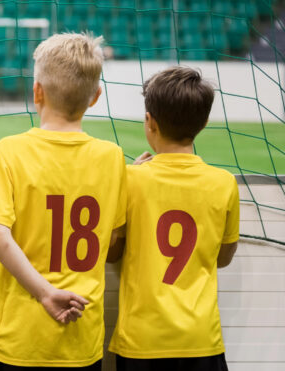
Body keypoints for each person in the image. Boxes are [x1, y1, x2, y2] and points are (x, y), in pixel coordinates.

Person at [0, 33, 126, 370]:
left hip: (18, 339)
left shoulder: (9, 151)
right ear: (95, 98)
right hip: (81, 338)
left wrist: (45, 292)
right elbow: (114, 244)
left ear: (37, 91)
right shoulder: (113, 157)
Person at [107, 66, 238, 371]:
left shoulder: (129, 179)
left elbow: (112, 253)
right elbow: (223, 258)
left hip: (141, 340)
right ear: (204, 122)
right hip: (200, 338)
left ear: (149, 121)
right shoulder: (224, 182)